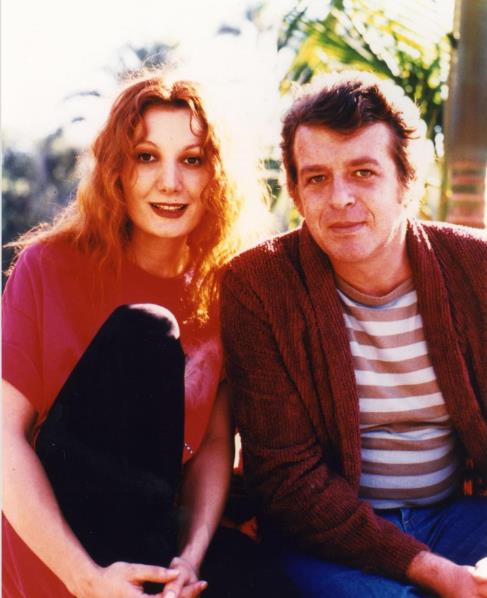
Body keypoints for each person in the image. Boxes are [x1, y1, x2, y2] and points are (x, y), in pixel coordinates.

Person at [2, 69, 275, 598]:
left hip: (153, 556)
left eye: (191, 160)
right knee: (147, 330)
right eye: (146, 156)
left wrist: (190, 559)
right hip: (58, 562)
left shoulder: (226, 291)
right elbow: (3, 440)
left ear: (216, 176)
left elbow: (214, 443)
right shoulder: (49, 269)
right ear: (116, 171)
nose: (170, 182)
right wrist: (86, 579)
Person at [221, 70, 487, 597]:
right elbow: (287, 480)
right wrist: (438, 573)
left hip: (459, 517)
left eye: (363, 172)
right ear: (295, 191)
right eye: (317, 178)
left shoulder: (476, 267)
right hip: (328, 538)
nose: (339, 197)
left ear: (407, 181)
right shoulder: (259, 285)